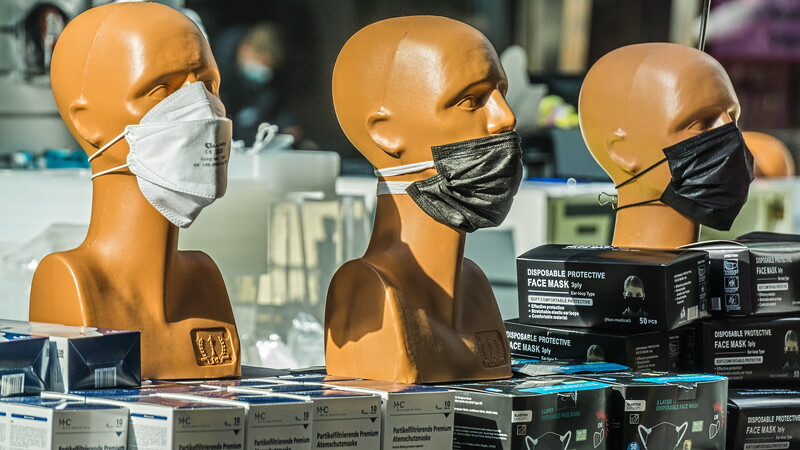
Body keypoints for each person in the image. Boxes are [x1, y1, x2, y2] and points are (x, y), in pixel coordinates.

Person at [29, 2, 240, 379]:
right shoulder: (71, 281)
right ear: (87, 122)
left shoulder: (205, 278)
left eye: (208, 86)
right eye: (161, 89)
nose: (203, 111)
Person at [326, 16, 521, 383]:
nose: (505, 118)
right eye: (470, 100)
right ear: (386, 133)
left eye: (501, 94)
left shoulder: (473, 283)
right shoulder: (369, 290)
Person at [213, 22, 302, 145]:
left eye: (269, 67)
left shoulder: (268, 86)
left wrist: (286, 126)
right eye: (261, 62)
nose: (263, 71)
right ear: (245, 48)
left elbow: (275, 109)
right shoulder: (213, 70)